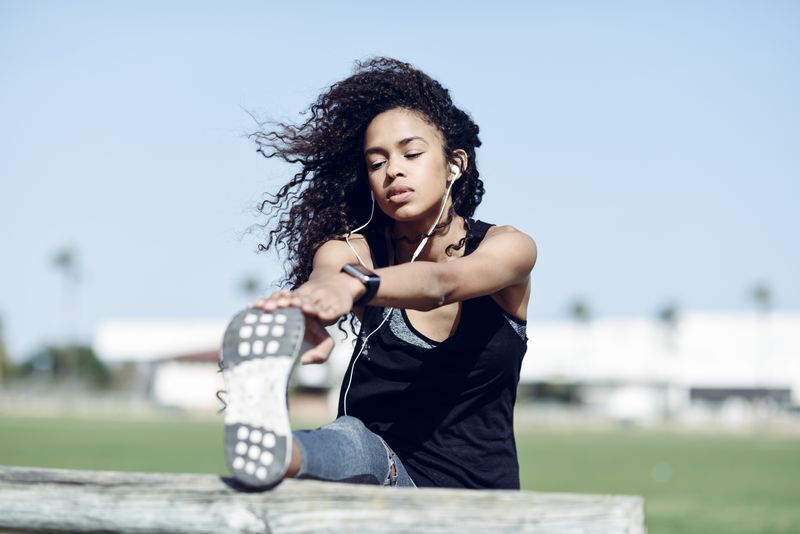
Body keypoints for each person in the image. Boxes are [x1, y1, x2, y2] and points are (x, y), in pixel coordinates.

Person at [219, 57, 537, 491]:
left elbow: (441, 284)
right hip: (384, 485)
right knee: (358, 440)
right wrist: (300, 314)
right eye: (376, 162)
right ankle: (279, 450)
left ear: (455, 164)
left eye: (411, 153)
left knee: (360, 444)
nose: (393, 171)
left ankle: (283, 452)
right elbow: (330, 275)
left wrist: (358, 284)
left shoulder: (509, 248)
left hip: (483, 506)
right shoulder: (353, 249)